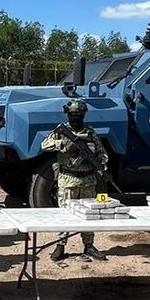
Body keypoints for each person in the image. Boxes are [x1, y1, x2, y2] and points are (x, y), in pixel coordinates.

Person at [41, 98, 109, 263]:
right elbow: (44, 145)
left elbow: (101, 152)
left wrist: (102, 164)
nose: (76, 118)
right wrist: (64, 145)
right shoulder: (61, 130)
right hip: (68, 179)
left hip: (88, 180)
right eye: (73, 115)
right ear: (68, 114)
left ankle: (89, 245)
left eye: (79, 115)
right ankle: (60, 245)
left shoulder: (90, 132)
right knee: (65, 215)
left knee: (88, 215)